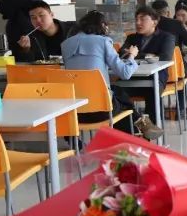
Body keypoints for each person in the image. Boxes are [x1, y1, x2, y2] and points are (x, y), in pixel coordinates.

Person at [61, 11, 163, 140]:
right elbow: (125, 73)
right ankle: (138, 133)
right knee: (122, 101)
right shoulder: (102, 41)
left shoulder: (65, 44)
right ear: (102, 25)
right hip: (102, 111)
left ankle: (140, 129)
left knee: (118, 92)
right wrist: (132, 55)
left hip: (74, 111)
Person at [121, 6, 176, 126]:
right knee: (117, 92)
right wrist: (149, 56)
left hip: (155, 77)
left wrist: (135, 54)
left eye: (142, 19)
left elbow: (165, 57)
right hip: (131, 78)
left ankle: (151, 128)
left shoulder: (167, 37)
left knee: (152, 92)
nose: (138, 23)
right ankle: (131, 126)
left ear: (154, 22)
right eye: (136, 19)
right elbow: (121, 54)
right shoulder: (132, 38)